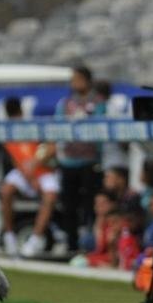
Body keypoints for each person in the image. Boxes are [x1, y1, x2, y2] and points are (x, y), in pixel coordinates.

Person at [0, 97, 61, 257]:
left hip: (44, 170)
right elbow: (16, 159)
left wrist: (37, 162)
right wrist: (31, 177)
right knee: (6, 191)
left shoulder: (35, 126)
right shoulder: (9, 131)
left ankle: (36, 239)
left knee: (50, 196)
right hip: (25, 173)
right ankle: (9, 235)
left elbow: (51, 148)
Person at [55, 65, 105, 253]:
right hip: (69, 161)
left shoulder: (98, 102)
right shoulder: (66, 103)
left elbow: (102, 128)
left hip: (90, 161)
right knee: (69, 205)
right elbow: (58, 126)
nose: (74, 83)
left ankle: (91, 244)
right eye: (72, 80)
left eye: (78, 79)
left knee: (90, 205)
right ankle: (71, 244)